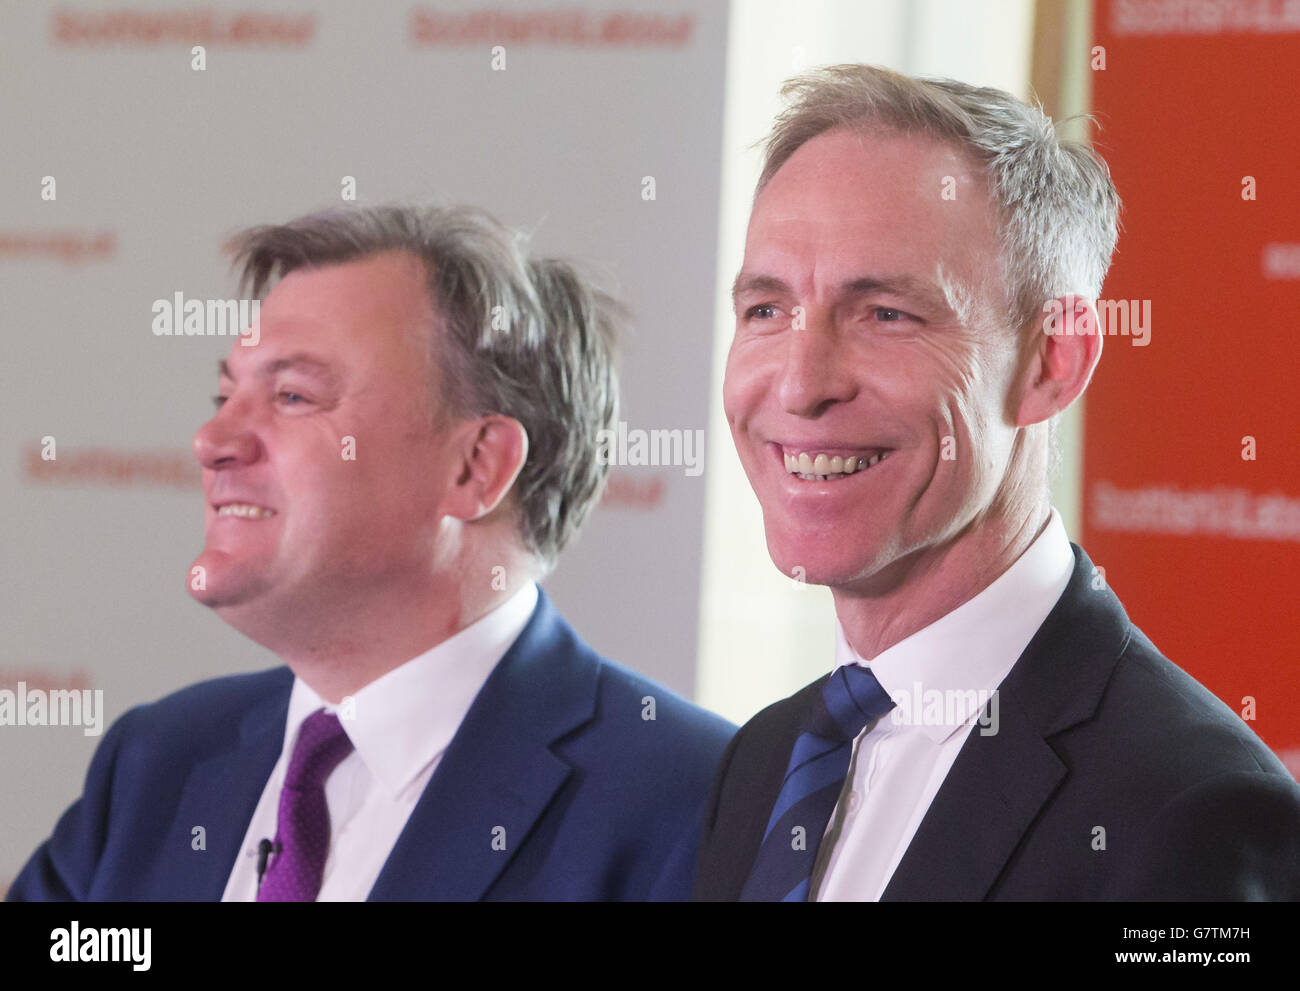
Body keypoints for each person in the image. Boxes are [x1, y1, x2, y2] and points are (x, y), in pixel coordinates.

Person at [693, 64, 1300, 901]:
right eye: (767, 309)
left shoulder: (1195, 815)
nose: (800, 385)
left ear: (1054, 361)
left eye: (886, 314)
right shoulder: (761, 761)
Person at [10, 203, 734, 902]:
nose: (212, 442)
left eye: (293, 396)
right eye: (223, 395)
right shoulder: (156, 763)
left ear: (476, 465)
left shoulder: (692, 802)